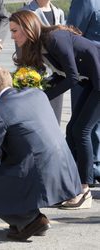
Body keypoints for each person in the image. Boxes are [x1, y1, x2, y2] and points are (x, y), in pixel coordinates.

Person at [0, 66, 82, 241]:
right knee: (5, 167)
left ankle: (30, 220)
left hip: (37, 175)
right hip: (65, 172)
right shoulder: (36, 94)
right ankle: (29, 218)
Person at [9, 10, 100, 209]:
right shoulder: (40, 46)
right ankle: (73, 186)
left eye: (15, 31)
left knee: (82, 131)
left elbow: (72, 77)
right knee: (72, 131)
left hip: (97, 81)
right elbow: (60, 75)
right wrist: (35, 90)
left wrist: (42, 96)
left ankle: (84, 191)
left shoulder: (54, 39)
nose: (12, 36)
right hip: (93, 82)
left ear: (27, 28)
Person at [67, 0, 100, 183]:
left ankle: (86, 172)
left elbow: (72, 33)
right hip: (91, 69)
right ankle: (92, 167)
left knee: (82, 126)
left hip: (87, 69)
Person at [18, 0, 65, 124]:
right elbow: (21, 50)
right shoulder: (25, 12)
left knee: (54, 120)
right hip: (35, 75)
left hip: (57, 75)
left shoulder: (59, 12)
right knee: (38, 121)